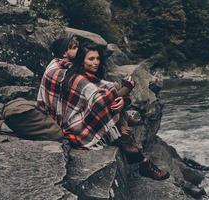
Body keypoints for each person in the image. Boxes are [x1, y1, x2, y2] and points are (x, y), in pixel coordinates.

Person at [37, 42, 170, 180]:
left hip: (75, 113)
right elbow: (101, 102)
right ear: (79, 59)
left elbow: (103, 91)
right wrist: (127, 90)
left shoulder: (64, 66)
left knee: (111, 94)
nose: (96, 63)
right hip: (72, 123)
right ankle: (141, 160)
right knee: (111, 110)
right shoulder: (76, 77)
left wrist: (124, 99)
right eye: (91, 59)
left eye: (98, 59)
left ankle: (129, 139)